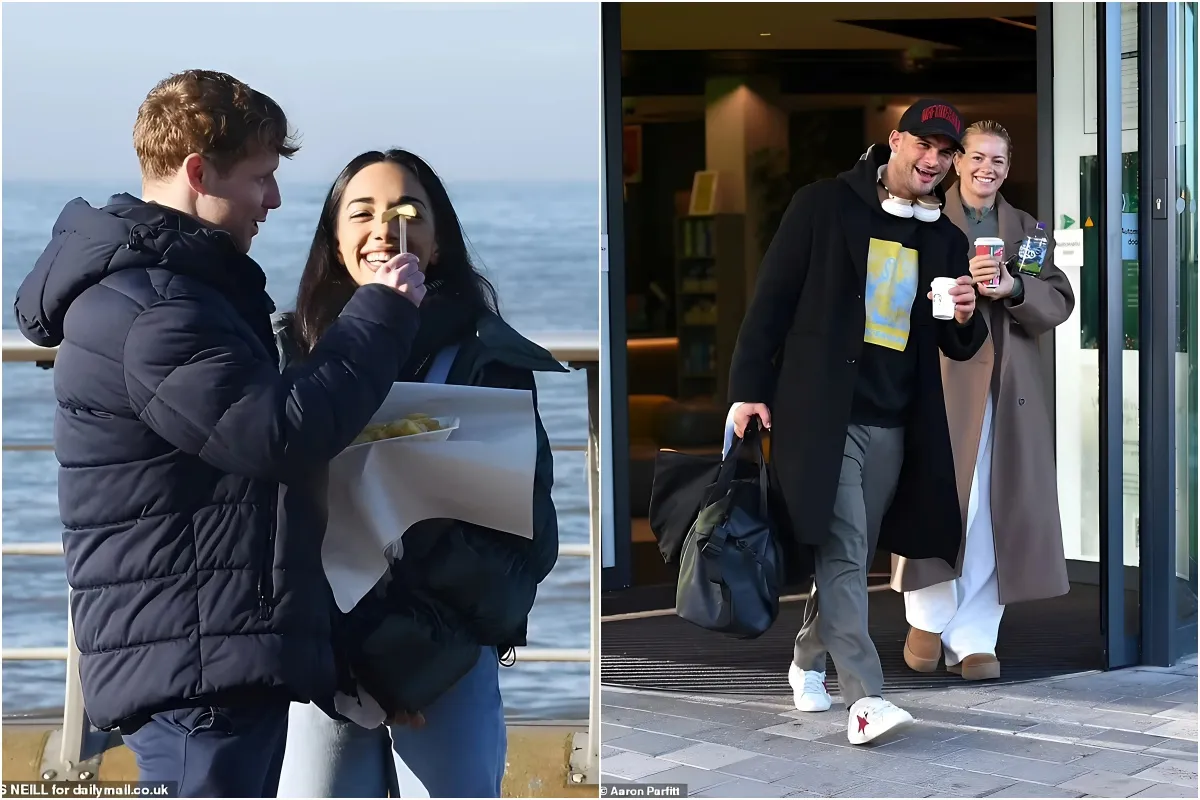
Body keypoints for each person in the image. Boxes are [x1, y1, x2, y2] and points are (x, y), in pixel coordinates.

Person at [12, 70, 426, 798]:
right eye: (261, 177)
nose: (273, 200)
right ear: (199, 173)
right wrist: (380, 316)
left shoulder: (171, 287)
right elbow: (277, 432)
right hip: (195, 665)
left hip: (199, 648)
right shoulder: (156, 305)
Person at [273, 149, 563, 798]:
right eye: (363, 212)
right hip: (321, 664)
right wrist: (339, 658)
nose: (387, 227)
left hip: (444, 663)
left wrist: (405, 655)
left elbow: (521, 536)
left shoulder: (486, 357)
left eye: (410, 212)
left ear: (437, 243)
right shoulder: (291, 356)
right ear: (336, 240)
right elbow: (266, 522)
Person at [727, 99, 988, 745]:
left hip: (897, 419)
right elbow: (771, 302)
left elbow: (960, 343)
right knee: (842, 546)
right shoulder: (823, 206)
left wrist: (963, 314)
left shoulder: (945, 236)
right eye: (923, 145)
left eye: (946, 151)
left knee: (849, 553)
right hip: (822, 413)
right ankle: (866, 701)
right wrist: (747, 390)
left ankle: (805, 659)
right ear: (895, 141)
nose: (933, 160)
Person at [892, 120, 1074, 680]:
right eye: (974, 157)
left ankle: (974, 637)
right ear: (956, 161)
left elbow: (1059, 300)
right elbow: (890, 294)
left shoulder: (1028, 230)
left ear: (1007, 167)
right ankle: (927, 618)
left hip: (1008, 394)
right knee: (939, 502)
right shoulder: (921, 214)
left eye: (997, 160)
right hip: (940, 383)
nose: (984, 169)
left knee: (995, 509)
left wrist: (1013, 289)